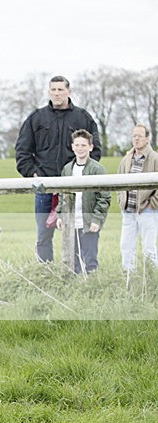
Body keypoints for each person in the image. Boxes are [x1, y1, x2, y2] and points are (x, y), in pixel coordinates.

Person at [15, 75, 101, 263]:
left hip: (75, 189)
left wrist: (81, 176)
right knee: (43, 236)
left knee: (77, 233)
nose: (57, 93)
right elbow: (22, 152)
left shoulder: (82, 117)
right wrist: (35, 175)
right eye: (53, 89)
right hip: (45, 188)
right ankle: (46, 273)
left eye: (61, 89)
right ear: (49, 92)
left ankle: (77, 272)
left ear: (69, 92)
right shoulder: (36, 118)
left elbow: (95, 150)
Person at [55, 129, 110, 274]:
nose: (80, 148)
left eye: (84, 145)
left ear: (91, 147)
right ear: (72, 147)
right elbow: (62, 195)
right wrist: (60, 215)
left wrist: (96, 219)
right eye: (77, 145)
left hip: (88, 222)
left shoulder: (97, 169)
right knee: (72, 260)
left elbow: (104, 197)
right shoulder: (67, 169)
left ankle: (91, 289)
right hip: (71, 221)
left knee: (90, 260)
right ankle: (74, 288)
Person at [117, 124, 158, 273]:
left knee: (148, 246)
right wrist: (122, 201)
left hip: (147, 211)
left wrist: (152, 204)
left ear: (147, 138)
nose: (136, 139)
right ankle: (129, 276)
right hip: (128, 211)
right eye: (134, 136)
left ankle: (152, 276)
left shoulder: (154, 158)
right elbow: (118, 182)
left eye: (139, 136)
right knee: (126, 245)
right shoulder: (126, 159)